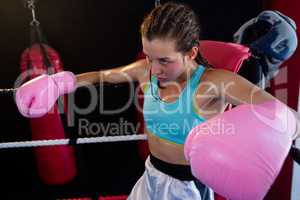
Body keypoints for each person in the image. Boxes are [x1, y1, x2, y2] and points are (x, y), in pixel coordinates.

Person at [15, 2, 300, 200]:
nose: (155, 68)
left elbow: (282, 115)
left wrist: (278, 135)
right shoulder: (146, 71)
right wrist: (58, 82)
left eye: (164, 60)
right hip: (150, 176)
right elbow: (103, 76)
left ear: (190, 53)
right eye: (149, 57)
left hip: (187, 189)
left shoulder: (214, 82)